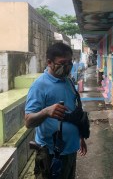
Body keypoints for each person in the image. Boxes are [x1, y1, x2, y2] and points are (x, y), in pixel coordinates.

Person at [25, 42, 87, 179]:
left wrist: (81, 136)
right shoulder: (39, 85)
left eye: (70, 62)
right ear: (49, 62)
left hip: (71, 150)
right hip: (52, 155)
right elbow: (28, 121)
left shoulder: (68, 81)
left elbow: (74, 112)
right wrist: (46, 111)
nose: (68, 67)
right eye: (62, 63)